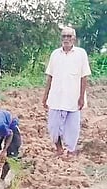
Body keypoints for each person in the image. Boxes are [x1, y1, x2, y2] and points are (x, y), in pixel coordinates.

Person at [42, 27, 91, 156]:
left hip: (73, 97)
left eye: (69, 36)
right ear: (61, 38)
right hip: (56, 96)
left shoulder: (81, 54)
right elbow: (50, 76)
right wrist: (45, 96)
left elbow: (84, 77)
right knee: (53, 125)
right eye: (64, 36)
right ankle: (58, 148)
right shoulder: (55, 54)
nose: (66, 39)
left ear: (74, 38)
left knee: (72, 127)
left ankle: (70, 150)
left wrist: (81, 97)